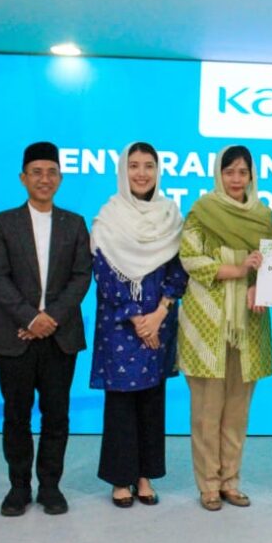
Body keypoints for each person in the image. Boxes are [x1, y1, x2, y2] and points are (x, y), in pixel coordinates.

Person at [0, 142, 93, 516]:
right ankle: (18, 487)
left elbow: (81, 276)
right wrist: (31, 319)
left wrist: (50, 319)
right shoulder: (1, 224)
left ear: (60, 178)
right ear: (23, 178)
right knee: (16, 416)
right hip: (14, 335)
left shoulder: (74, 223)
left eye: (51, 172)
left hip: (60, 338)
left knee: (56, 416)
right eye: (36, 172)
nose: (44, 179)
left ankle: (50, 487)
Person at [178, 145, 272, 511]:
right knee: (207, 411)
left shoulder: (263, 217)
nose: (236, 179)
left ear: (252, 176)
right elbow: (190, 258)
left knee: (237, 410)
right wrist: (238, 270)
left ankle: (231, 482)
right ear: (218, 174)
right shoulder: (202, 211)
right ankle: (208, 484)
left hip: (249, 322)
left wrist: (260, 283)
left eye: (242, 172)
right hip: (207, 322)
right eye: (229, 171)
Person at [89, 141, 188, 508]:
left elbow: (179, 269)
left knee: (151, 400)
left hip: (159, 322)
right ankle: (120, 478)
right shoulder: (109, 217)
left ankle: (145, 476)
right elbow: (104, 272)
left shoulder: (170, 215)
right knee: (121, 402)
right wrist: (135, 316)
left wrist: (159, 314)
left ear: (158, 171)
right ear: (123, 170)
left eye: (149, 165)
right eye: (134, 165)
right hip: (120, 325)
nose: (142, 173)